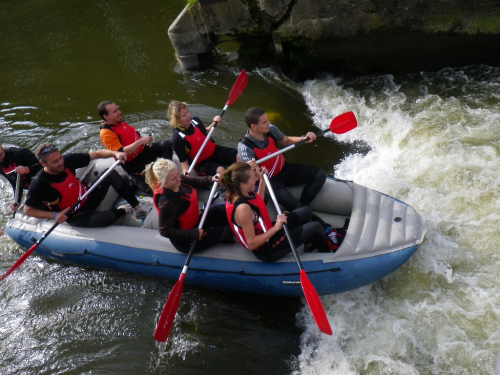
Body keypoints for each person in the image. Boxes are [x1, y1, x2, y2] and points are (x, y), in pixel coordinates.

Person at [219, 162, 332, 262]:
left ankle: (308, 246)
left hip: (268, 232)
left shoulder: (239, 192)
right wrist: (276, 227)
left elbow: (258, 201)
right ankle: (329, 259)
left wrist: (262, 179)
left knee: (306, 210)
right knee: (316, 226)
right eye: (253, 178)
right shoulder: (243, 209)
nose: (255, 179)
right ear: (242, 185)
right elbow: (252, 243)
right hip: (267, 249)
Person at [24, 143, 152, 227]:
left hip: (87, 195)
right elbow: (27, 210)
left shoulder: (67, 161)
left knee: (110, 173)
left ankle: (137, 207)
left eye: (60, 158)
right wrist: (53, 215)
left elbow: (96, 154)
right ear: (43, 164)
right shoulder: (39, 183)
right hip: (75, 214)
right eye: (55, 162)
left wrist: (115, 153)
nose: (60, 163)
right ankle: (123, 210)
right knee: (104, 219)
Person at [238, 107, 326, 212]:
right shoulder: (244, 147)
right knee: (298, 207)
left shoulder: (271, 129)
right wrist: (252, 168)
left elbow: (286, 140)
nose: (269, 123)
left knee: (320, 175)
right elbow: (254, 174)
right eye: (264, 122)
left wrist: (303, 138)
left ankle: (301, 208)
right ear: (254, 126)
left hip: (284, 169)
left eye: (267, 120)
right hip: (269, 181)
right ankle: (300, 210)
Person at [144, 158, 233, 254]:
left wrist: (211, 179)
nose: (179, 179)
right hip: (186, 239)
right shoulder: (167, 203)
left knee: (222, 210)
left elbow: (194, 181)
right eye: (174, 179)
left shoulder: (178, 179)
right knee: (226, 231)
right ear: (161, 181)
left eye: (178, 174)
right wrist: (194, 233)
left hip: (195, 221)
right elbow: (165, 231)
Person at [98, 101, 173, 194]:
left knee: (165, 145)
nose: (119, 112)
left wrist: (142, 139)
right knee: (155, 190)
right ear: (106, 116)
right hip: (134, 164)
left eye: (117, 109)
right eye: (115, 111)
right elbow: (121, 153)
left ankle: (167, 174)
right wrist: (141, 141)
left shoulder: (118, 120)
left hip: (144, 152)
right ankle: (135, 181)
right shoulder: (106, 133)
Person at [168, 101, 239, 176]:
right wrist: (186, 173)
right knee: (221, 170)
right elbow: (183, 161)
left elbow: (205, 132)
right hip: (200, 163)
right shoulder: (177, 138)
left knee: (239, 156)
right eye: (184, 115)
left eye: (187, 112)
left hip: (214, 151)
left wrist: (214, 123)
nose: (188, 115)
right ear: (177, 120)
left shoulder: (195, 121)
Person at [0, 143, 42, 212]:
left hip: (46, 185)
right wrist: (17, 201)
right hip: (34, 191)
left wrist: (28, 169)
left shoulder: (20, 153)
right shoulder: (1, 168)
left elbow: (44, 166)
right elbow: (16, 183)